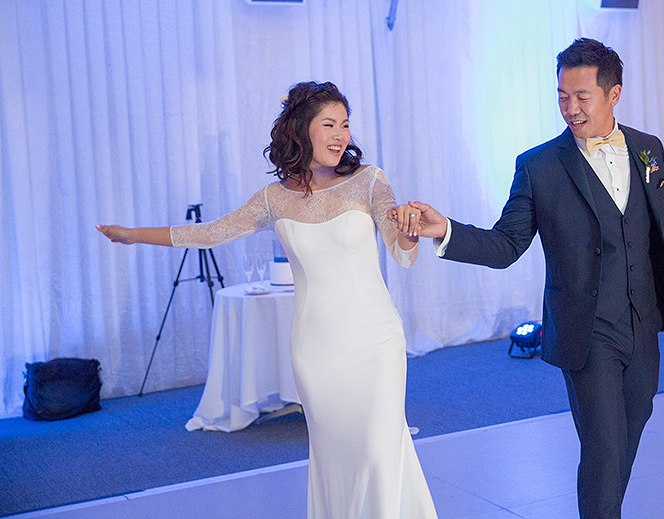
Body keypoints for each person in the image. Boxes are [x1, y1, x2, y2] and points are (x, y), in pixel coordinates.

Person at [398, 38, 664, 519]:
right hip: (587, 333)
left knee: (627, 435)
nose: (570, 108)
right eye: (562, 96)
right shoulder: (539, 166)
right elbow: (506, 245)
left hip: (643, 325)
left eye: (581, 96)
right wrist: (446, 230)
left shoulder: (647, 149)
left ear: (614, 94)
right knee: (605, 451)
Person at [98, 82, 438, 519]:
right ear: (302, 129)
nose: (340, 135)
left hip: (375, 342)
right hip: (316, 349)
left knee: (378, 451)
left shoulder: (369, 181)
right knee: (334, 455)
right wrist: (133, 235)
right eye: (329, 125)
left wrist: (410, 232)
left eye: (345, 125)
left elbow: (403, 256)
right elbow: (209, 233)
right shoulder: (274, 199)